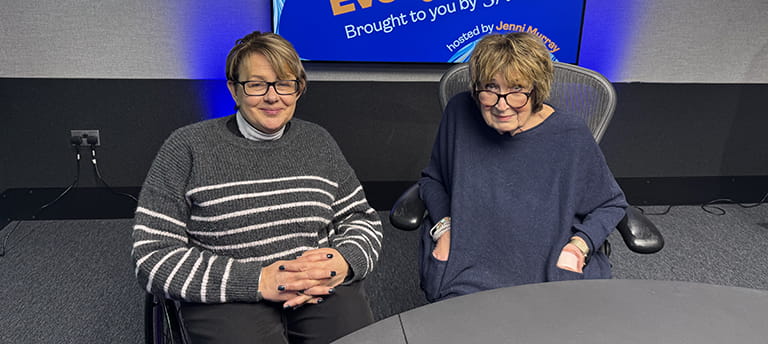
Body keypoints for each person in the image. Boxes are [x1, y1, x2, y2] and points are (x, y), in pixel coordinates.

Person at [131, 31, 382, 343]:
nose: (273, 96)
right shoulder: (186, 147)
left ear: (297, 89)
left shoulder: (318, 142)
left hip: (315, 285)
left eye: (284, 83)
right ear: (234, 90)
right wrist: (259, 280)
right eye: (257, 84)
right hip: (230, 294)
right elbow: (152, 257)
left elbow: (360, 218)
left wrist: (344, 261)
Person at [418, 32, 628, 302]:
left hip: (548, 274)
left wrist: (578, 248)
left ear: (536, 90)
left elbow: (611, 203)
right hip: (467, 269)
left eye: (517, 90)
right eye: (490, 88)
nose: (502, 105)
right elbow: (432, 180)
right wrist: (445, 230)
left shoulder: (570, 134)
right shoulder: (459, 112)